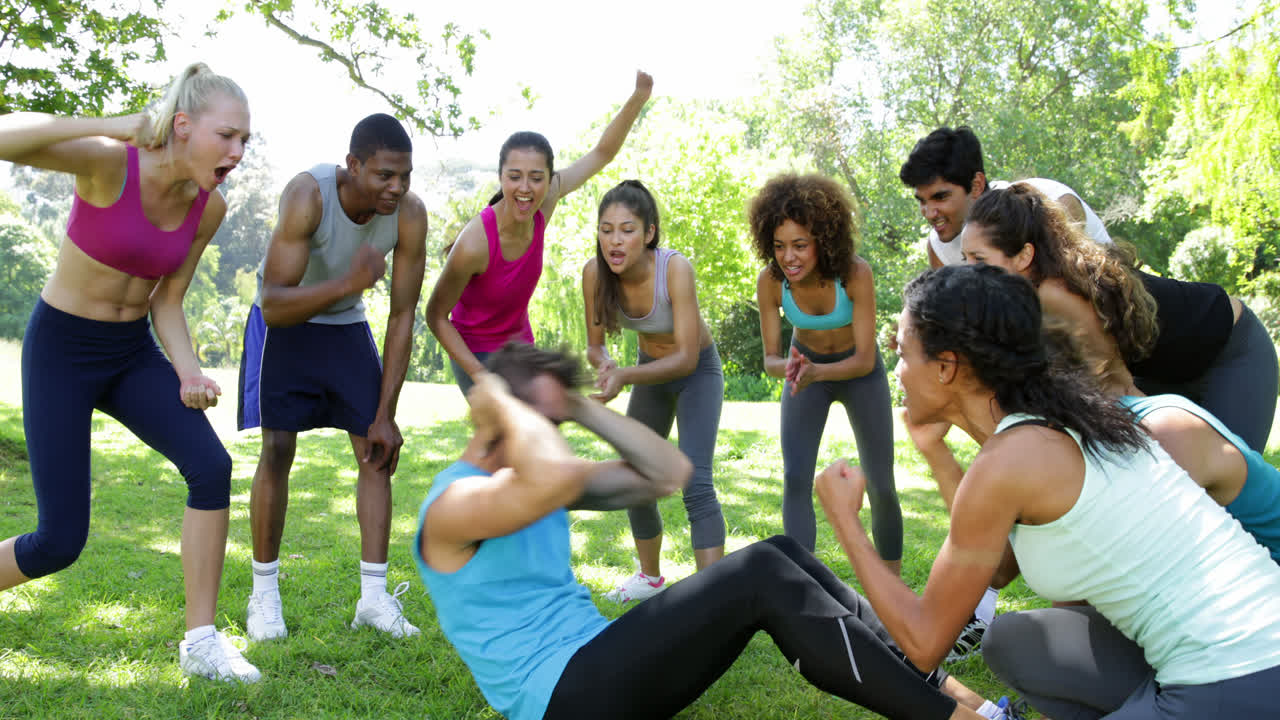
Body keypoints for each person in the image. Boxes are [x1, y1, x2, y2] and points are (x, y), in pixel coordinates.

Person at [414, 342, 995, 720]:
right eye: (546, 424)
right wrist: (501, 405)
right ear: (502, 424)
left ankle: (959, 697)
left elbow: (669, 472)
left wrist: (580, 406)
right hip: (560, 699)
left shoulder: (538, 480)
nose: (555, 434)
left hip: (598, 669)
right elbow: (551, 473)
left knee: (781, 552)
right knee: (760, 575)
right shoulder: (453, 504)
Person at [817, 263, 1280, 719]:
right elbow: (993, 565)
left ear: (946, 367)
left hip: (1238, 677)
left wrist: (846, 522)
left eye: (904, 354)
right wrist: (936, 450)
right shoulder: (1061, 423)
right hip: (1252, 653)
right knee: (1016, 641)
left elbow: (921, 644)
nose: (897, 370)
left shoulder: (1010, 461)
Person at [0, 63, 260, 682]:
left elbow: (166, 300)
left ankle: (201, 642)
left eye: (246, 140)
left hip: (129, 352)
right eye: (228, 136)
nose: (238, 151)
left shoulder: (210, 208)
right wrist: (116, 126)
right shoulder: (110, 163)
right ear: (182, 126)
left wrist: (189, 370)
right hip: (61, 348)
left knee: (211, 466)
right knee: (58, 541)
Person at [236, 113, 428, 642]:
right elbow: (273, 303)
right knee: (276, 452)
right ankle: (264, 596)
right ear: (353, 165)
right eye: (385, 175)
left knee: (376, 451)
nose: (396, 188)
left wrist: (385, 413)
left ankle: (373, 598)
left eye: (405, 176)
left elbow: (403, 315)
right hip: (290, 325)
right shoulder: (308, 195)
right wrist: (349, 280)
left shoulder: (408, 215)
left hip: (347, 327)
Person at [960, 182, 1278, 451]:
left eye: (980, 259)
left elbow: (1123, 392)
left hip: (1232, 352)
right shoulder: (1021, 299)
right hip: (1165, 368)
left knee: (1223, 492)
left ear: (1024, 256)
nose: (969, 273)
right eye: (965, 259)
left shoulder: (1056, 295)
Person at [427, 71, 653, 394]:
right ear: (501, 176)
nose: (525, 188)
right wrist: (480, 375)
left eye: (536, 178)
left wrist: (639, 97)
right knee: (512, 431)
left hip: (519, 347)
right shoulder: (475, 243)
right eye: (514, 177)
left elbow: (601, 153)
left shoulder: (543, 205)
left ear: (550, 180)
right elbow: (435, 316)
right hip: (475, 350)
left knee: (541, 425)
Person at [748, 174, 902, 573]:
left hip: (858, 374)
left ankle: (894, 589)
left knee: (881, 485)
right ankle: (806, 587)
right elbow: (770, 360)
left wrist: (816, 372)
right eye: (780, 246)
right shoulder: (770, 282)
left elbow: (866, 360)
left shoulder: (855, 274)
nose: (789, 256)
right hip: (807, 372)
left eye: (800, 245)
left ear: (824, 239)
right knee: (796, 477)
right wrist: (793, 367)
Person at [581, 179, 726, 601]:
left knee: (695, 479)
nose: (614, 240)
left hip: (696, 373)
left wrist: (624, 376)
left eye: (627, 229)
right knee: (634, 471)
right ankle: (649, 579)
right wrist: (605, 363)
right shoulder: (594, 273)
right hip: (649, 372)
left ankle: (712, 599)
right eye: (606, 229)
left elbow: (685, 357)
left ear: (649, 233)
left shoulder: (674, 269)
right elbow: (594, 345)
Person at [899, 125, 1111, 268]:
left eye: (940, 197)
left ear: (976, 185)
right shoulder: (939, 249)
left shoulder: (1050, 202)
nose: (929, 213)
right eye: (922, 201)